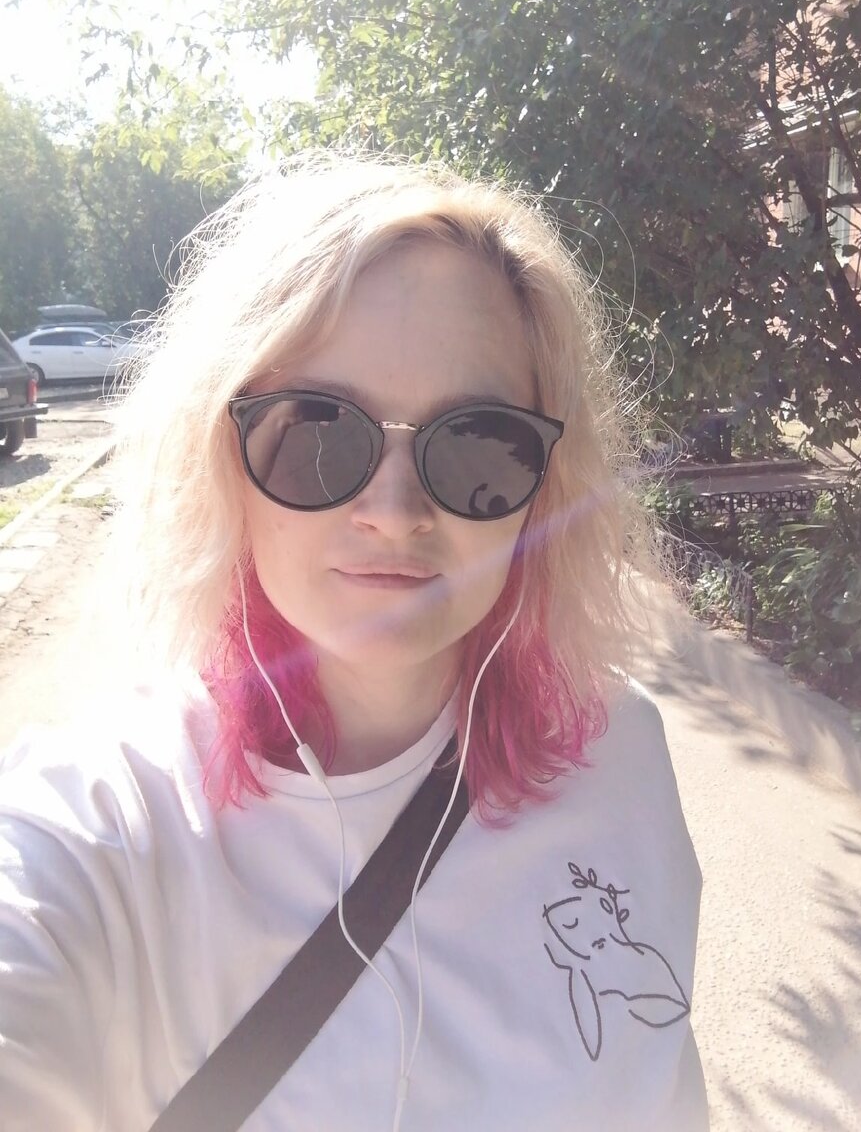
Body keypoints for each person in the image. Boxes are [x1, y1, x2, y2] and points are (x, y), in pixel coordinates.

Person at [0, 152, 707, 1131]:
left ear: (544, 486)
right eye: (318, 431)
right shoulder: (103, 832)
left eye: (480, 443)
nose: (395, 510)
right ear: (223, 453)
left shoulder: (620, 753)